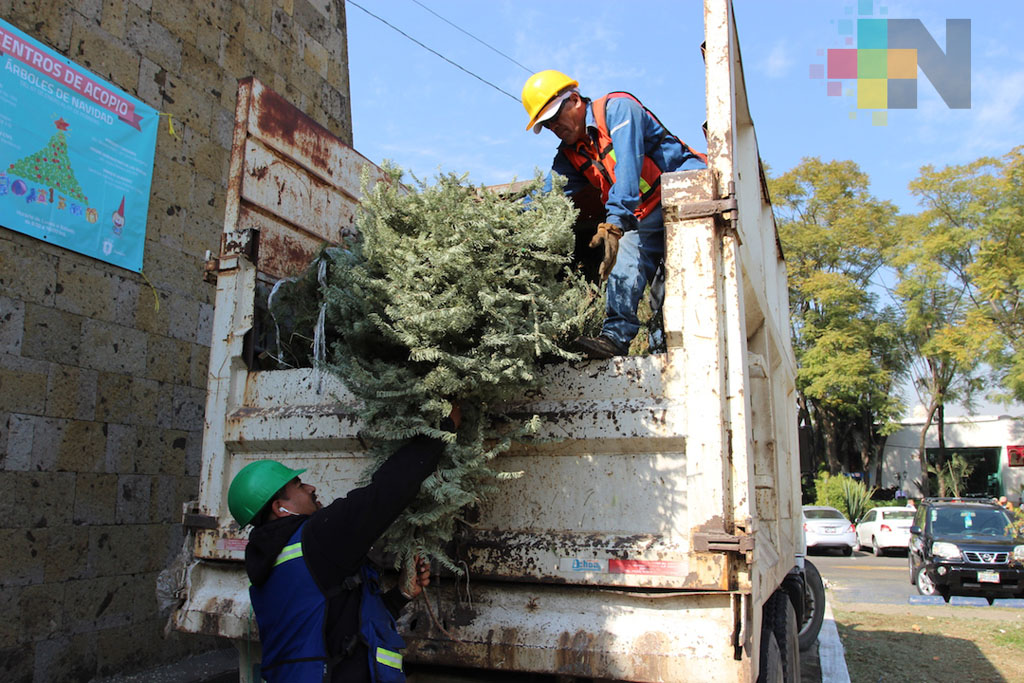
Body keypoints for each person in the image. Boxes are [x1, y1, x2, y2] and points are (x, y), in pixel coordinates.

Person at [227, 405, 461, 682]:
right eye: (300, 486)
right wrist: (443, 429)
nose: (311, 488)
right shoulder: (315, 540)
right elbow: (388, 491)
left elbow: (339, 624)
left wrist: (401, 595)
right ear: (280, 508)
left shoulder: (272, 561)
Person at [522, 69, 708, 359]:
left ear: (574, 100)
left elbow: (628, 172)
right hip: (644, 212)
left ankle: (666, 348)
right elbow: (545, 196)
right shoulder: (571, 154)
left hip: (682, 195)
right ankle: (615, 339)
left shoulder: (618, 109)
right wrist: (508, 222)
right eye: (546, 125)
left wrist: (613, 223)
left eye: (555, 117)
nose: (554, 127)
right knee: (623, 268)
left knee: (669, 287)